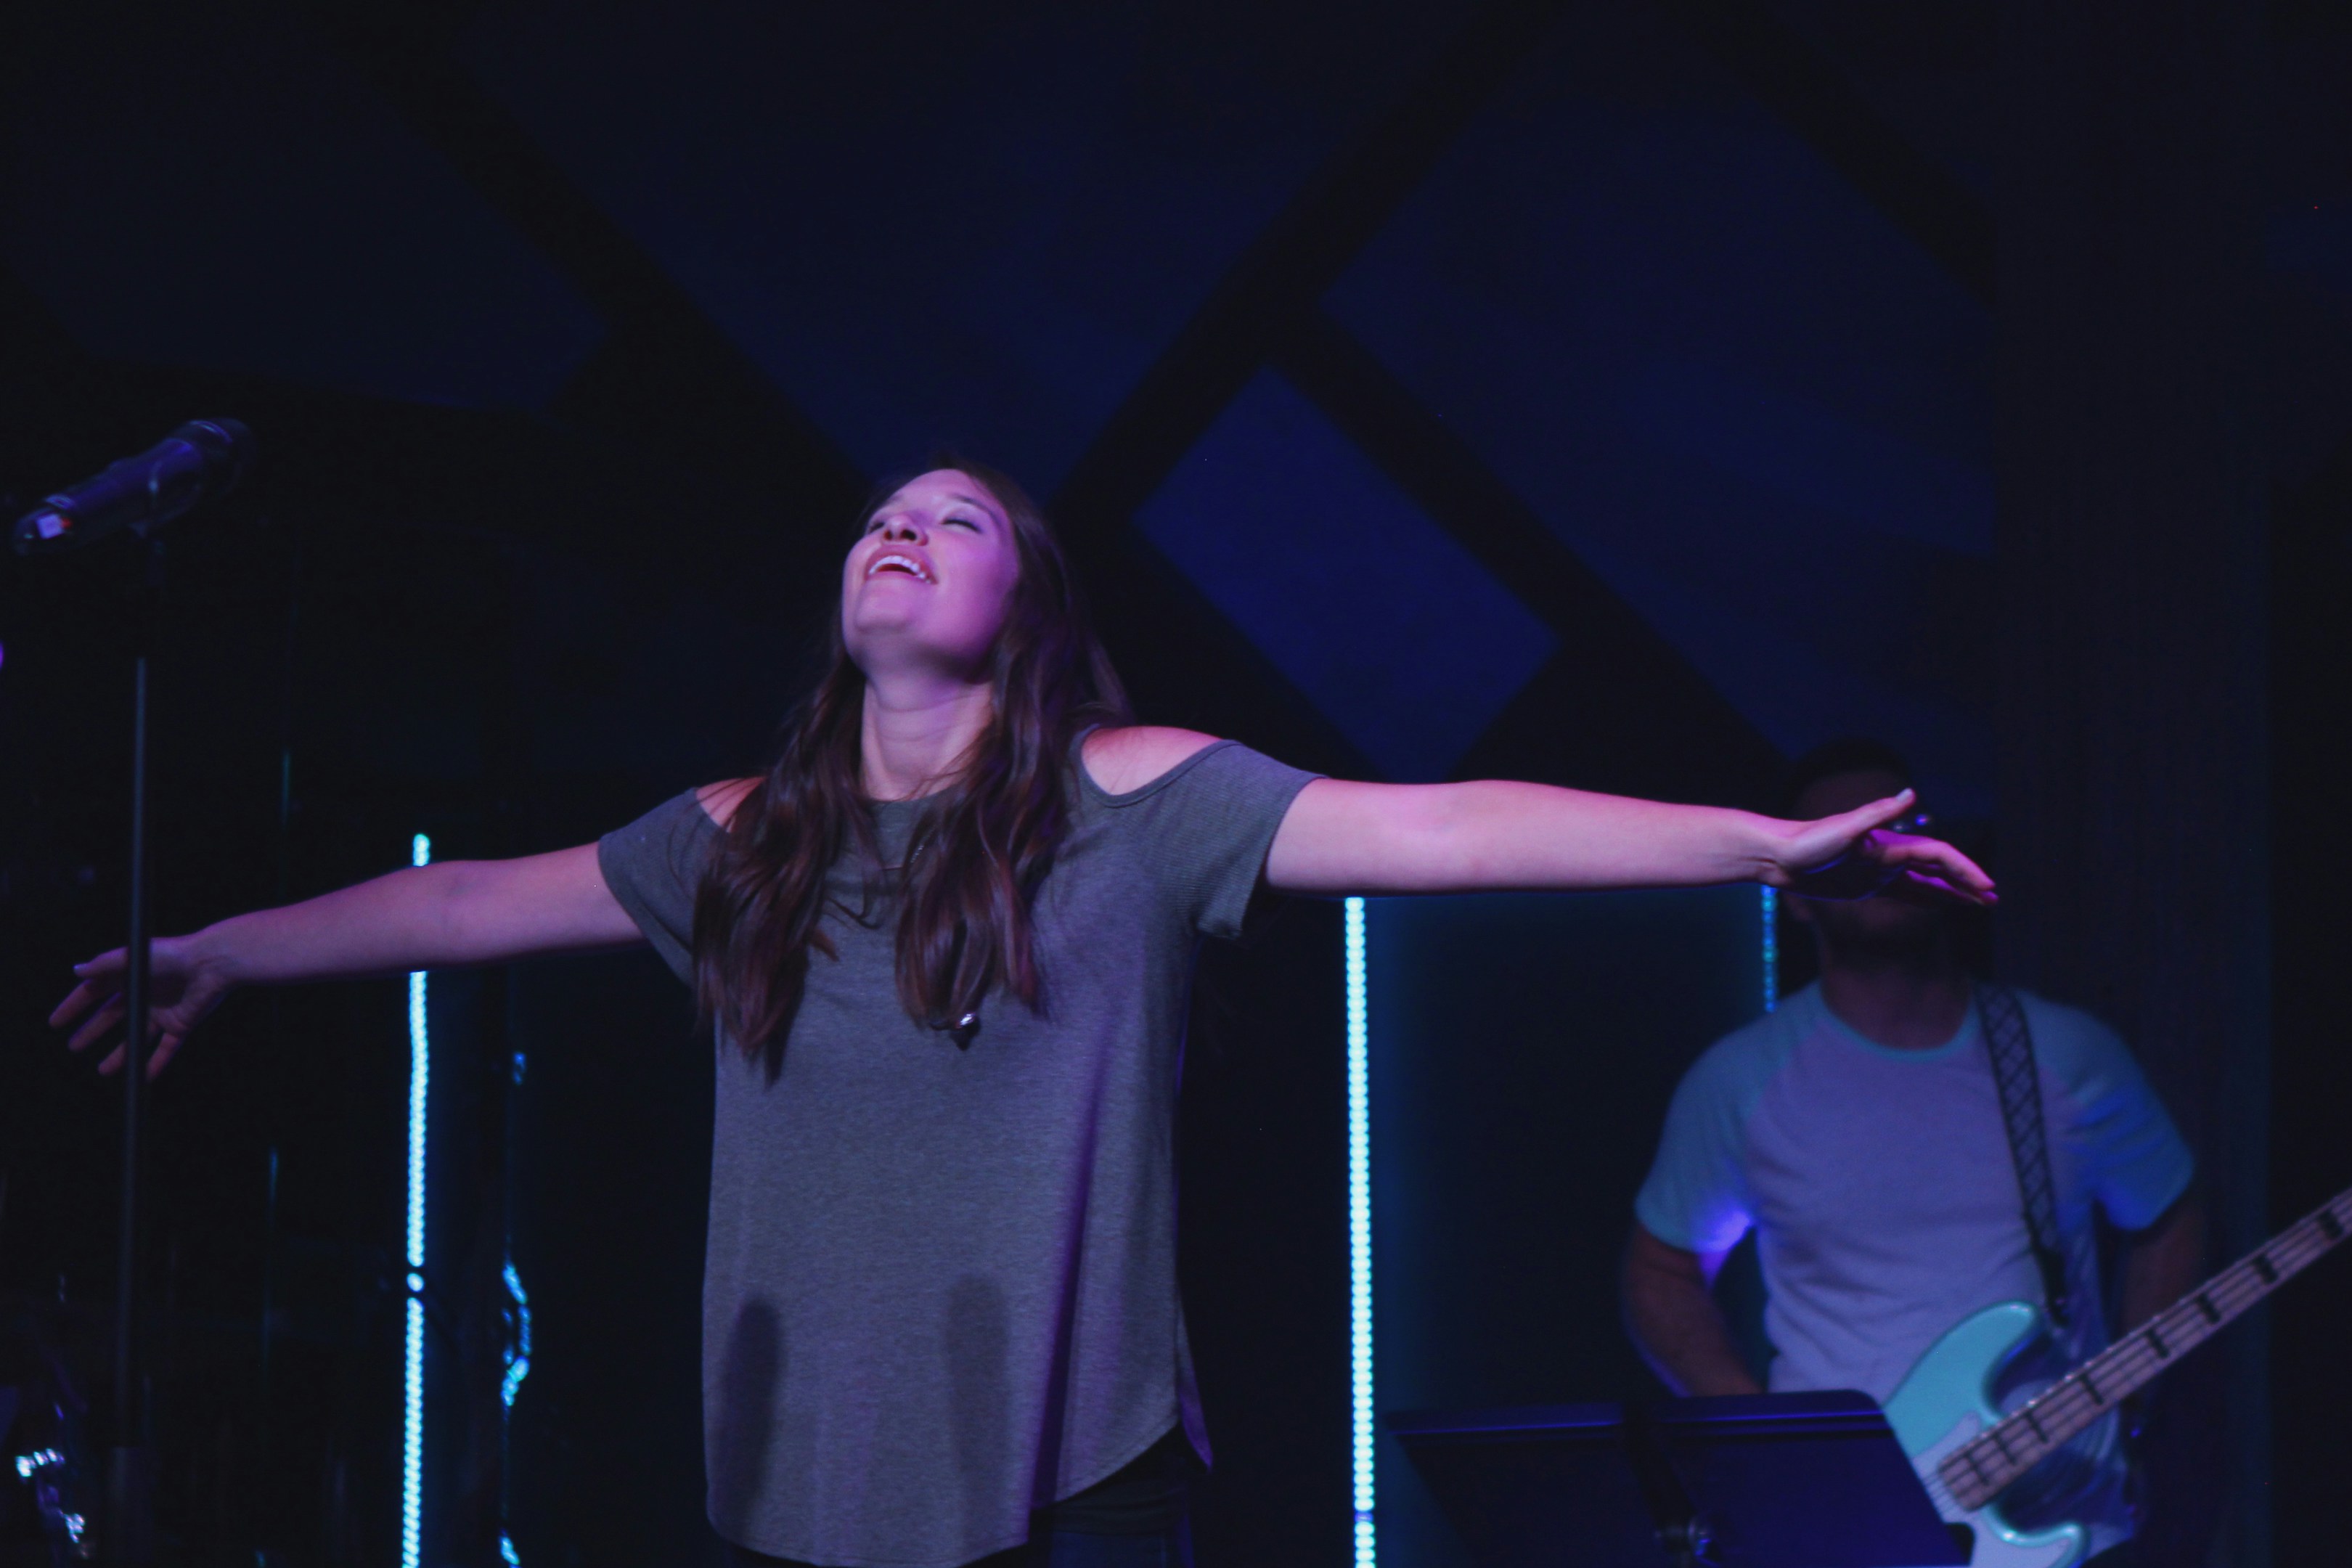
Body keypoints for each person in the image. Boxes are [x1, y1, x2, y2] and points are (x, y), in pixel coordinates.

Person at [52, 469, 1992, 1568]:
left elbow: (1454, 830)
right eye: (882, 515)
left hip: (1081, 1476)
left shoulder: (1137, 801)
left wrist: (1755, 844)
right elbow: (471, 902)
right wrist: (229, 944)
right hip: (804, 1484)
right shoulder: (738, 838)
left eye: (955, 518)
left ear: (1027, 603)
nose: (900, 526)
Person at [1621, 739, 2203, 1565]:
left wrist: (2129, 1398)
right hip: (1846, 1529)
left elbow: (2169, 1215)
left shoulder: (2067, 1054)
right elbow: (1661, 1269)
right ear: (1793, 892)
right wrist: (1764, 1438)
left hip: (2065, 1528)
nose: (1883, 857)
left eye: (1904, 827)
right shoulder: (1741, 1081)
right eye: (1846, 837)